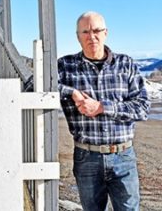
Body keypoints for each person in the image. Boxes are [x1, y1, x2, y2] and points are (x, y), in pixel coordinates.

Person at [58, 11, 150, 211]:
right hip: (86, 156)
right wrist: (71, 92)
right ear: (78, 36)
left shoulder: (126, 64)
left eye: (97, 30)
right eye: (85, 32)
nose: (92, 36)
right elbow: (36, 85)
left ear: (106, 33)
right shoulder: (65, 66)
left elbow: (143, 107)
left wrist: (101, 107)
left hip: (123, 155)